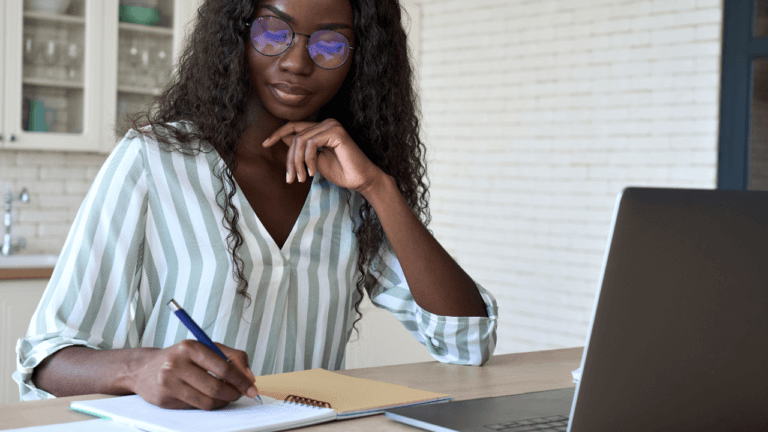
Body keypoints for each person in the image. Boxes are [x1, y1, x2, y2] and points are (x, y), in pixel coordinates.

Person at [14, 0, 498, 410]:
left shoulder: (349, 187)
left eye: (330, 44)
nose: (297, 62)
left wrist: (378, 187)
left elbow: (466, 342)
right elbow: (45, 360)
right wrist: (138, 368)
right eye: (273, 31)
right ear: (236, 34)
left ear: (360, 59)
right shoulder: (155, 160)